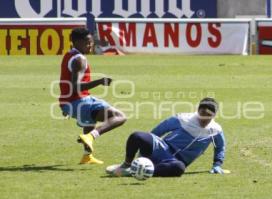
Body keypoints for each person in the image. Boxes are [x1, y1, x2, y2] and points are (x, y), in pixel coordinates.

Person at [106, 97, 226, 177]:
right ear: (197, 110)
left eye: (208, 116)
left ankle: (138, 171)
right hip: (162, 148)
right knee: (137, 136)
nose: (204, 118)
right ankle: (126, 165)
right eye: (202, 114)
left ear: (214, 115)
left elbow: (220, 147)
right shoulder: (183, 118)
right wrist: (145, 148)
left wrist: (217, 164)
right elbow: (157, 132)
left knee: (179, 168)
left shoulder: (215, 130)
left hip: (175, 162)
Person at [59, 27, 127, 164]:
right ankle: (91, 136)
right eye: (87, 42)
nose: (91, 45)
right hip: (77, 102)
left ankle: (87, 155)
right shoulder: (80, 60)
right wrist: (100, 81)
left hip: (68, 103)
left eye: (91, 42)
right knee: (120, 117)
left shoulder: (69, 55)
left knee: (90, 119)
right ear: (77, 42)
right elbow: (75, 86)